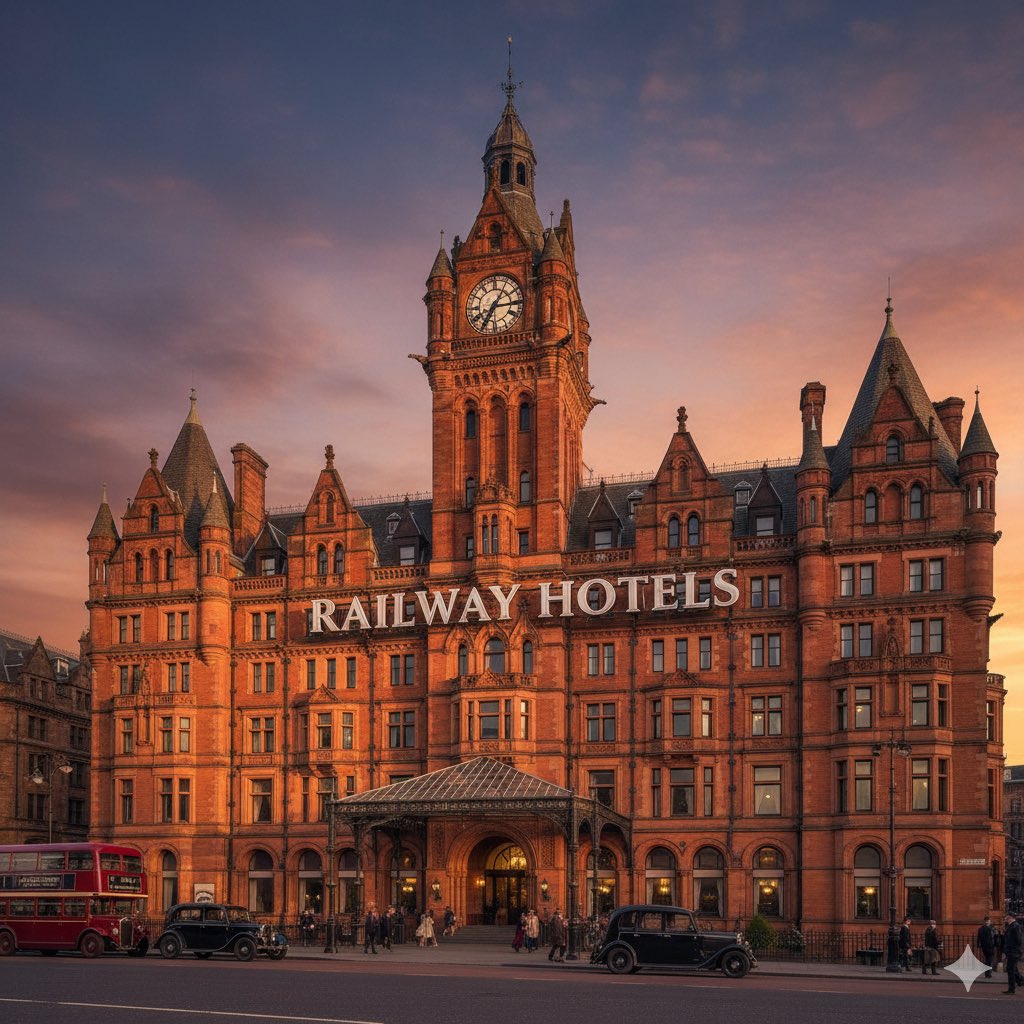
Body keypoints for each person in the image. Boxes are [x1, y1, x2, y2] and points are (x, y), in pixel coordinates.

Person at [1004, 912, 1023, 995]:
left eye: (1006, 917)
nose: (1005, 918)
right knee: (1013, 968)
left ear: (1011, 917)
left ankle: (1011, 989)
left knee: (1010, 970)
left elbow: (1019, 940)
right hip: (1011, 952)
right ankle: (1021, 981)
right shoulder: (1012, 926)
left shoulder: (1016, 926)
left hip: (1014, 952)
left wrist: (1013, 950)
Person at [978, 915, 997, 979]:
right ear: (989, 922)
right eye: (988, 921)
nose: (988, 922)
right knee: (989, 960)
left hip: (984, 947)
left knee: (987, 959)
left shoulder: (981, 929)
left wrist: (978, 945)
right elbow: (993, 937)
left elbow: (979, 938)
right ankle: (988, 973)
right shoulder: (991, 929)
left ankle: (987, 973)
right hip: (990, 946)